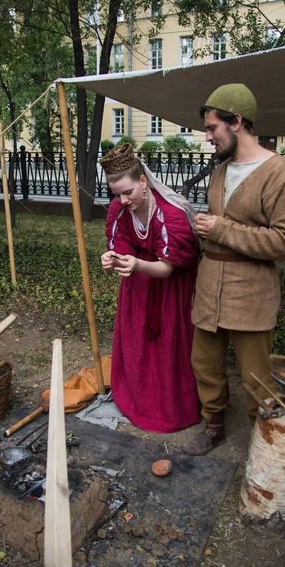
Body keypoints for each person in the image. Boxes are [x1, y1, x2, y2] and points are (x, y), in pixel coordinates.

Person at [183, 83, 285, 455]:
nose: (207, 137)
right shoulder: (221, 171)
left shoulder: (280, 174)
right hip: (210, 285)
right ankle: (213, 426)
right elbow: (220, 225)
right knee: (204, 364)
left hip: (251, 290)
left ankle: (265, 441)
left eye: (212, 128)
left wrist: (221, 228)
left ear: (236, 122)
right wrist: (199, 225)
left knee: (256, 376)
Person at [100, 143, 200, 433]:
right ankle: (138, 398)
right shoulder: (119, 211)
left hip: (171, 291)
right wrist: (113, 258)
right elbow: (121, 246)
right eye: (116, 194)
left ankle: (170, 407)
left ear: (143, 182)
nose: (122, 199)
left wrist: (137, 265)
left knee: (169, 347)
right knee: (138, 347)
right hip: (138, 290)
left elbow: (168, 268)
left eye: (127, 192)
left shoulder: (171, 214)